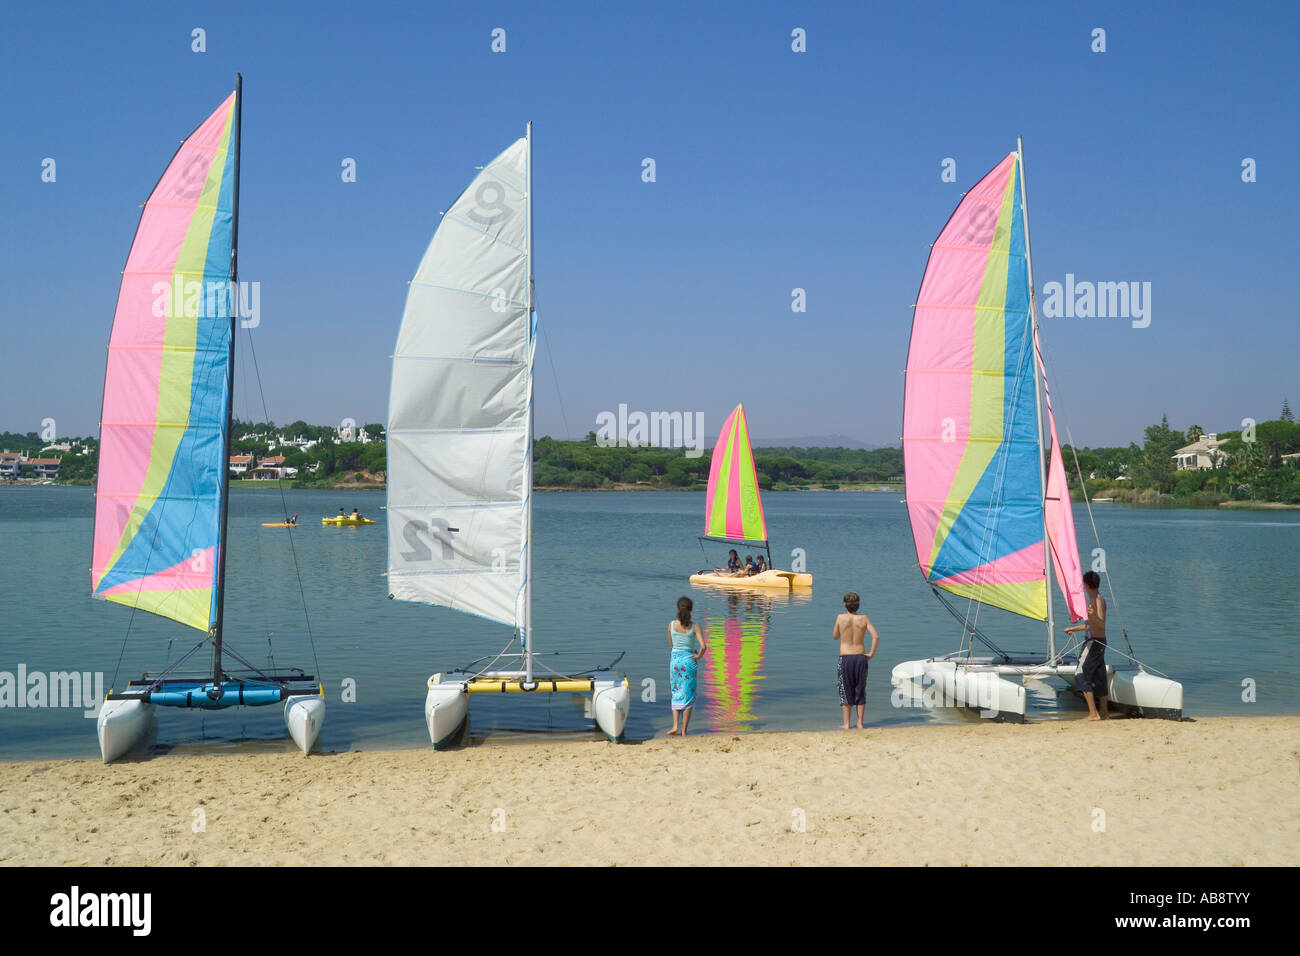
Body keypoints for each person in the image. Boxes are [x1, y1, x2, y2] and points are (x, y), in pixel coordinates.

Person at [1065, 570, 1108, 720]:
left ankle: (1093, 713)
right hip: (1099, 642)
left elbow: (1101, 624)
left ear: (1086, 585)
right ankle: (1104, 713)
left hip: (1094, 643)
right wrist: (1073, 629)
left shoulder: (1096, 600)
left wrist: (1093, 615)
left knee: (1080, 673)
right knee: (1099, 675)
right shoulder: (1093, 600)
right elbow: (1090, 625)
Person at [832, 591, 879, 729]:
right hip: (860, 657)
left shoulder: (840, 618)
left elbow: (835, 636)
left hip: (845, 657)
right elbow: (876, 636)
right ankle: (860, 723)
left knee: (845, 689)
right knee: (860, 688)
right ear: (858, 605)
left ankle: (846, 724)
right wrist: (871, 654)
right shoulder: (864, 618)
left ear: (845, 605)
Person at [667, 596, 708, 736]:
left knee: (676, 691)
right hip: (689, 662)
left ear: (678, 608)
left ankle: (674, 726)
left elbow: (672, 646)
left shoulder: (671, 625)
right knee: (688, 695)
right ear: (691, 609)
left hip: (676, 662)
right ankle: (684, 731)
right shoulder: (695, 626)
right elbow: (703, 647)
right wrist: (698, 656)